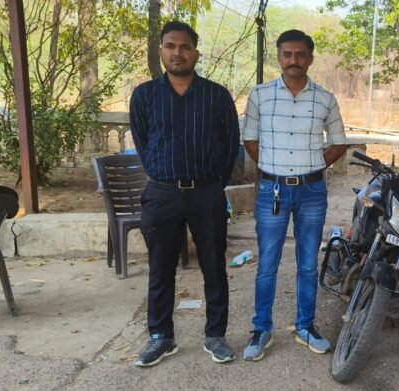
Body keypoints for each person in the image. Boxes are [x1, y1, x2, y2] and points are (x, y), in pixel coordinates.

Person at [128, 21, 242, 367]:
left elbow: (230, 143)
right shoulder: (145, 95)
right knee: (161, 268)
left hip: (206, 193)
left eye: (184, 47)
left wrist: (214, 183)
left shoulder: (216, 96)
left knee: (213, 266)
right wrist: (162, 172)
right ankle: (161, 337)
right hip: (162, 194)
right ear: (161, 51)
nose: (177, 53)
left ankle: (215, 335)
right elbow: (143, 142)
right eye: (170, 46)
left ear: (196, 53)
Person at [241, 29, 347, 361]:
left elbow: (339, 142)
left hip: (312, 191)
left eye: (300, 54)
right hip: (271, 189)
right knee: (267, 264)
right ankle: (261, 328)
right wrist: (271, 167)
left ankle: (305, 326)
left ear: (310, 59)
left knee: (308, 263)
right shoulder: (260, 95)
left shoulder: (325, 99)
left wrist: (313, 165)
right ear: (278, 57)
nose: (293, 60)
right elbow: (250, 139)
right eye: (287, 54)